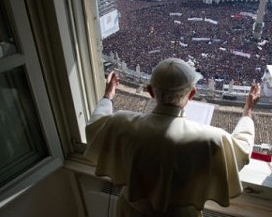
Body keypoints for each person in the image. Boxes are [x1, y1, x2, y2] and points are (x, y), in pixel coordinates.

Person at [84, 58, 261, 216]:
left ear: (150, 91)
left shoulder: (121, 122)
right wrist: (248, 111)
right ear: (192, 94)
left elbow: (95, 127)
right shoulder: (212, 139)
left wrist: (108, 96)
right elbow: (242, 149)